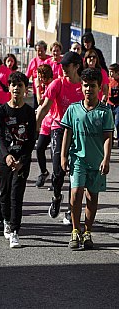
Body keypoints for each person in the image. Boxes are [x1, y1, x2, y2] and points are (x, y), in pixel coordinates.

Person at [61, 68, 113, 250]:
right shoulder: (73, 109)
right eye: (85, 86)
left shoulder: (105, 112)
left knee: (92, 197)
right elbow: (67, 133)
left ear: (99, 88)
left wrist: (106, 158)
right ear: (81, 87)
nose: (88, 89)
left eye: (92, 86)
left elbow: (108, 137)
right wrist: (63, 155)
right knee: (76, 194)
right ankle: (75, 231)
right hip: (78, 159)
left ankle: (87, 231)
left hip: (97, 160)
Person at [36, 52, 84, 220]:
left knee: (75, 173)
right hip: (59, 129)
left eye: (67, 66)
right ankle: (56, 197)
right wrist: (34, 128)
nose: (62, 68)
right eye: (62, 65)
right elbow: (44, 108)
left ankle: (71, 209)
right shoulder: (57, 84)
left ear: (76, 67)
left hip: (79, 133)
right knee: (58, 171)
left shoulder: (84, 87)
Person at [0, 72, 36, 248]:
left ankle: (15, 231)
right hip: (5, 159)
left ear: (25, 89)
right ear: (9, 87)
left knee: (16, 195)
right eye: (13, 85)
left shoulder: (29, 112)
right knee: (4, 194)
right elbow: (0, 136)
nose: (16, 89)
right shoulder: (1, 111)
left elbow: (31, 140)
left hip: (22, 160)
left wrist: (22, 160)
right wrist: (7, 156)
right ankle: (6, 220)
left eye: (20, 85)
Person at [34, 64, 54, 188]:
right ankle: (43, 172)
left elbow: (41, 100)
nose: (40, 79)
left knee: (53, 151)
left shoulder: (52, 86)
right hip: (45, 123)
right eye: (39, 77)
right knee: (40, 148)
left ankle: (56, 177)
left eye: (42, 77)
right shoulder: (44, 86)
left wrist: (37, 86)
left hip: (55, 122)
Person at [108, 63, 119, 141]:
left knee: (117, 123)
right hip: (110, 104)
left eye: (112, 72)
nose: (110, 74)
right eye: (109, 71)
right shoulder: (109, 80)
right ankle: (110, 140)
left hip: (118, 105)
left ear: (117, 72)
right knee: (109, 123)